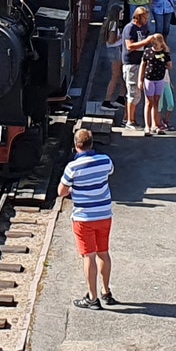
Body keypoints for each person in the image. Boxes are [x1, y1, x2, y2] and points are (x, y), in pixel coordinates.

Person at [59, 128, 118, 308]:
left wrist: (73, 188)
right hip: (104, 215)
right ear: (91, 144)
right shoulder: (105, 160)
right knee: (103, 253)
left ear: (76, 145)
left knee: (89, 257)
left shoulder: (72, 167)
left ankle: (92, 298)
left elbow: (61, 191)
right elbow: (109, 172)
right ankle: (106, 292)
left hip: (84, 218)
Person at [121, 5, 153, 129]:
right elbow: (129, 46)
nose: (146, 20)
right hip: (132, 64)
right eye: (145, 18)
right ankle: (130, 121)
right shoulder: (130, 28)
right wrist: (146, 41)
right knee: (133, 93)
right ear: (138, 17)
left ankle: (128, 118)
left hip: (141, 63)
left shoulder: (144, 28)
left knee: (136, 94)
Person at [142, 33, 171, 134]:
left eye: (156, 43)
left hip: (160, 79)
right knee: (149, 102)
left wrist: (162, 64)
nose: (154, 45)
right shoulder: (148, 51)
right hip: (149, 79)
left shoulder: (165, 53)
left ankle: (155, 125)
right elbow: (143, 65)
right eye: (153, 43)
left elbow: (170, 65)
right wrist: (140, 80)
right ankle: (147, 126)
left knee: (156, 102)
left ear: (161, 43)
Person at [101, 9, 126, 111]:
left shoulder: (110, 23)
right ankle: (107, 101)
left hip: (115, 50)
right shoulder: (114, 24)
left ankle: (121, 98)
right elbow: (111, 40)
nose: (122, 14)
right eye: (121, 12)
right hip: (115, 50)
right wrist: (121, 37)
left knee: (122, 75)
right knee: (116, 76)